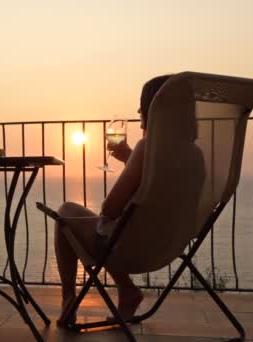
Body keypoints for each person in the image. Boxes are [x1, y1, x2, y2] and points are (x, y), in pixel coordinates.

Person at [54, 75, 171, 325]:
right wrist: (130, 157)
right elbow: (158, 183)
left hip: (130, 249)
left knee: (65, 213)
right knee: (112, 230)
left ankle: (69, 299)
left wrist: (134, 156)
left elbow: (110, 209)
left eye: (142, 110)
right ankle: (127, 292)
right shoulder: (195, 156)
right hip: (169, 246)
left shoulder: (147, 147)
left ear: (151, 111)